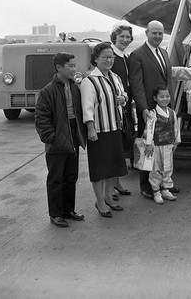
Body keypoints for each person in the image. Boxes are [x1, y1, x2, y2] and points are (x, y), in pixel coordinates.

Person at [35, 52, 87, 228]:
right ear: (59, 68)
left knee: (71, 176)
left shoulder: (74, 87)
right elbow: (42, 119)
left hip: (73, 135)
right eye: (70, 66)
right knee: (56, 179)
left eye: (74, 65)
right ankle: (55, 214)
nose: (74, 69)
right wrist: (52, 138)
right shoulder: (47, 91)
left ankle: (68, 210)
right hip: (57, 141)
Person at [129, 20, 179, 199]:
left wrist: (170, 105)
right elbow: (136, 84)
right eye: (154, 33)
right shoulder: (137, 54)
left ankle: (164, 184)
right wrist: (143, 107)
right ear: (146, 33)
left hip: (164, 109)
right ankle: (146, 186)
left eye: (160, 33)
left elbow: (168, 81)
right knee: (148, 149)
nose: (157, 36)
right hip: (149, 110)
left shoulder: (164, 52)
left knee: (164, 149)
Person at [81, 42, 128, 218]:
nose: (109, 60)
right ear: (96, 59)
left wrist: (122, 98)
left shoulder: (115, 77)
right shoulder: (90, 81)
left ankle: (109, 197)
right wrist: (91, 129)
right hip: (99, 131)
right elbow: (87, 108)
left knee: (113, 167)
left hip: (115, 128)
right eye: (105, 57)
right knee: (100, 169)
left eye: (111, 57)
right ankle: (100, 201)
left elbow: (124, 94)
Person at [144, 85, 181, 204]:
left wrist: (176, 141)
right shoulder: (153, 113)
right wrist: (149, 143)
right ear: (155, 98)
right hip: (156, 146)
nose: (165, 99)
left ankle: (165, 188)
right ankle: (156, 191)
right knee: (156, 168)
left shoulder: (172, 112)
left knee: (167, 167)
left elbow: (176, 127)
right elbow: (149, 129)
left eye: (167, 96)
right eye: (161, 97)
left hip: (168, 145)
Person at [110, 22, 135, 197]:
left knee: (119, 148)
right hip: (112, 110)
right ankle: (109, 187)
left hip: (125, 109)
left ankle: (116, 183)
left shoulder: (126, 57)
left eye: (128, 37)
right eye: (122, 37)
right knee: (112, 150)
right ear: (114, 38)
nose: (125, 40)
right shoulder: (110, 56)